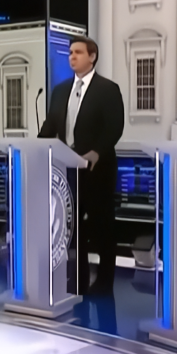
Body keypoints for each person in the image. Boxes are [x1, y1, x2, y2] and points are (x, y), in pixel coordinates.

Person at [38, 36, 125, 296]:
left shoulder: (107, 89)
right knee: (72, 227)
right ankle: (78, 279)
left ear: (92, 56)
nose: (72, 57)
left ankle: (105, 282)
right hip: (68, 170)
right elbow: (51, 125)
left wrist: (96, 152)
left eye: (78, 52)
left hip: (98, 170)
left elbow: (114, 127)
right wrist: (36, 147)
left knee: (102, 227)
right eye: (70, 53)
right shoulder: (60, 90)